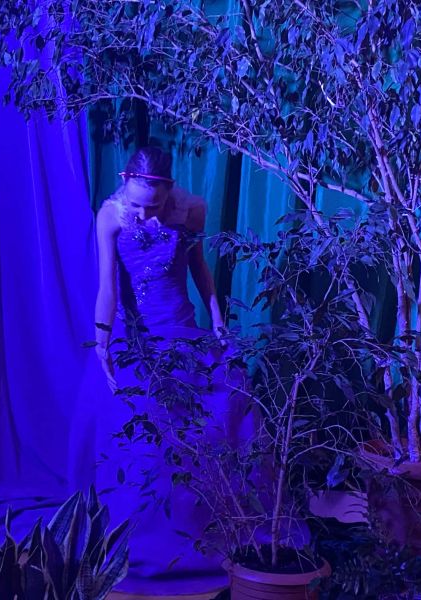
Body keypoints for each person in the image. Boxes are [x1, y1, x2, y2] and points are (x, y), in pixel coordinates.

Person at [70, 147, 249, 595]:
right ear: (124, 182)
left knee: (217, 417)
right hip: (138, 339)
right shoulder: (110, 216)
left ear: (168, 190)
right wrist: (102, 341)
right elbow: (108, 287)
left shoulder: (192, 212)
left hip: (183, 331)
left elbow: (200, 269)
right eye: (137, 204)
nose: (143, 215)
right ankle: (139, 542)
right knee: (139, 436)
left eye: (153, 206)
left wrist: (218, 319)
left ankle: (203, 534)